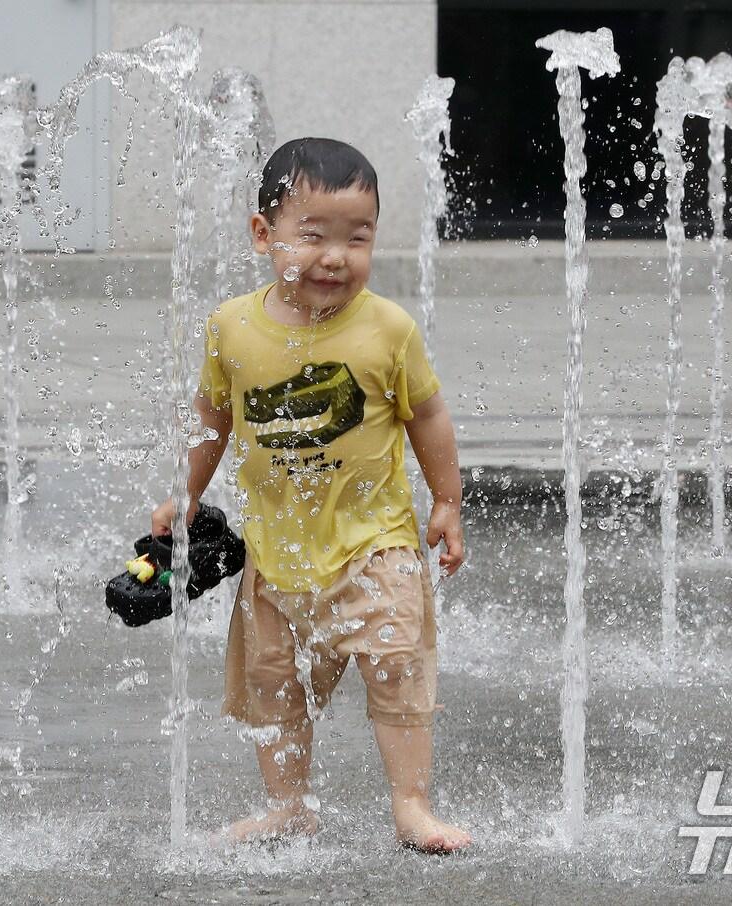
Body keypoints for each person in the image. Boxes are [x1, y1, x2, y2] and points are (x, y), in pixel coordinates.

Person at [151, 137, 471, 854]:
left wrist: (445, 501)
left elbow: (428, 414)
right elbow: (212, 418)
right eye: (314, 236)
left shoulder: (387, 328)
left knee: (395, 666)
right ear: (263, 235)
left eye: (358, 238)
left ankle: (412, 805)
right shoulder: (232, 326)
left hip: (374, 543)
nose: (336, 257)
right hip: (278, 555)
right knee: (272, 685)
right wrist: (186, 493)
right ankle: (288, 806)